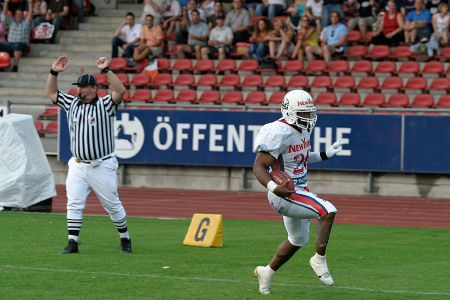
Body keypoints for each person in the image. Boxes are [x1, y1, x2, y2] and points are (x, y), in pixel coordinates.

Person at [252, 89, 343, 295]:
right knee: (327, 210)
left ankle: (266, 271)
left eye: (311, 113)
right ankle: (319, 259)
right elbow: (258, 167)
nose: (309, 118)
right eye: (305, 114)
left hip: (300, 190)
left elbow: (300, 157)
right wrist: (276, 188)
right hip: (284, 194)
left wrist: (325, 154)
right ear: (289, 112)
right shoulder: (277, 131)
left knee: (297, 240)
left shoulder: (302, 128)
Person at [45, 55, 132, 254]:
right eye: (78, 87)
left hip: (102, 164)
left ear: (93, 88)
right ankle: (72, 242)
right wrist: (53, 72)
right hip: (78, 163)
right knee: (73, 202)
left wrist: (106, 70)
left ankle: (125, 239)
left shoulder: (105, 105)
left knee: (111, 204)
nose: (79, 90)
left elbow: (120, 90)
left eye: (82, 87)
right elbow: (51, 92)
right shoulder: (72, 103)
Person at [0, 0, 33, 72]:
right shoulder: (11, 21)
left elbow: (30, 14)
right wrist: (6, 2)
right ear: (14, 15)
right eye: (17, 14)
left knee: (17, 45)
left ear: (23, 15)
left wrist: (30, 3)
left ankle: (15, 66)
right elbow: (4, 14)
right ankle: (1, 66)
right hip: (10, 44)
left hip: (22, 45)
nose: (18, 15)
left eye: (20, 14)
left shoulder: (26, 23)